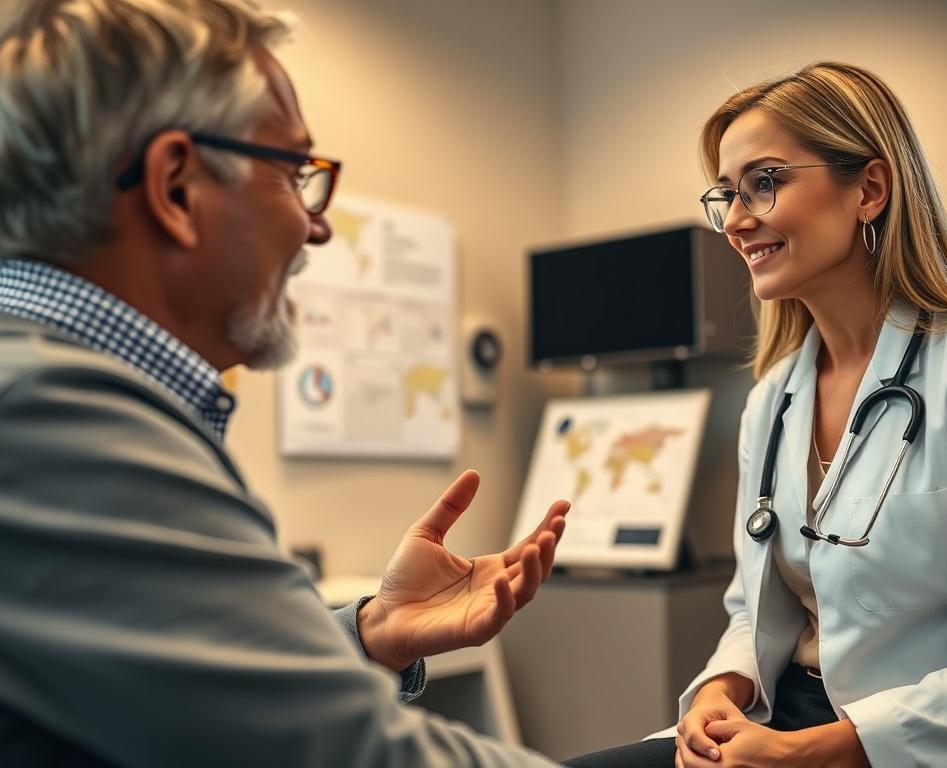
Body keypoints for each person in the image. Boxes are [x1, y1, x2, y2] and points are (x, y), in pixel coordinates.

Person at [0, 1, 571, 765]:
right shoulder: (53, 415)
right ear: (175, 187)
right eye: (294, 173)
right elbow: (348, 752)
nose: (317, 226)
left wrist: (368, 630)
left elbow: (186, 685)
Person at [567, 62, 947, 768]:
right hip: (780, 716)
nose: (737, 220)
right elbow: (753, 610)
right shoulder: (772, 398)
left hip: (909, 743)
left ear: (869, 189)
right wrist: (722, 687)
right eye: (727, 194)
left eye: (765, 182)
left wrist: (828, 751)